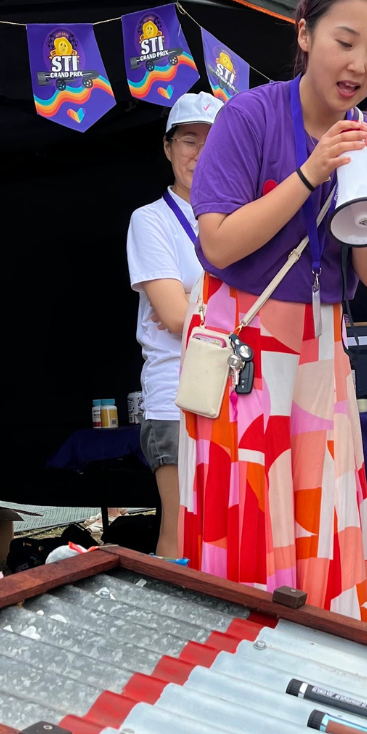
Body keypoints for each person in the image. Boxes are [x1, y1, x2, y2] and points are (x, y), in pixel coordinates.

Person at [181, 0, 367, 624]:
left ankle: (323, 646)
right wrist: (311, 172)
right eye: (345, 40)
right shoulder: (248, 116)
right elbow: (218, 246)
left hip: (320, 343)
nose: (359, 64)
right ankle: (236, 647)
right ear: (304, 33)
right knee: (250, 501)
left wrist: (362, 183)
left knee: (318, 506)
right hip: (243, 337)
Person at [127, 91, 224, 559]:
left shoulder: (236, 215)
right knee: (182, 525)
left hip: (235, 392)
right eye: (189, 140)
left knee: (225, 524)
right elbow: (173, 314)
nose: (201, 153)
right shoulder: (151, 220)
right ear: (168, 148)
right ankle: (168, 631)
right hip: (176, 397)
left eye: (214, 140)